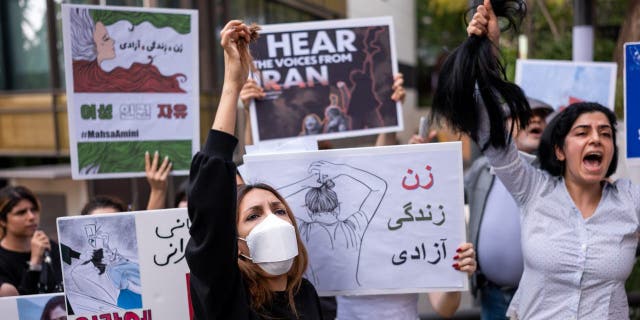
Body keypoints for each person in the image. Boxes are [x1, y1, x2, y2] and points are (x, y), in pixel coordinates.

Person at [463, 1, 640, 318]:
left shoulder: (631, 200)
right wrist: (487, 51)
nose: (595, 138)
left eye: (604, 133)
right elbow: (485, 124)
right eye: (582, 132)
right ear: (559, 149)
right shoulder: (533, 189)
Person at [185, 20, 323, 319]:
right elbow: (209, 200)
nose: (271, 219)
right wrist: (233, 84)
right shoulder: (226, 294)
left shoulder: (306, 296)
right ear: (235, 242)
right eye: (253, 215)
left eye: (279, 210)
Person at [465, 98, 553, 319]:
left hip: (543, 301)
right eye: (525, 114)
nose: (536, 120)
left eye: (542, 117)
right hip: (492, 297)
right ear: (503, 126)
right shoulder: (482, 169)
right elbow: (445, 194)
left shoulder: (557, 174)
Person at [70, 7, 186, 93]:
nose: (113, 41)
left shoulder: (121, 74)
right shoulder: (83, 79)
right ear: (91, 46)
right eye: (106, 38)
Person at [0, 186, 63, 295]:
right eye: (21, 212)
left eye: (34, 209)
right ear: (2, 221)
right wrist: (35, 263)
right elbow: (20, 308)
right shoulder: (2, 260)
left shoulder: (49, 246)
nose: (31, 217)